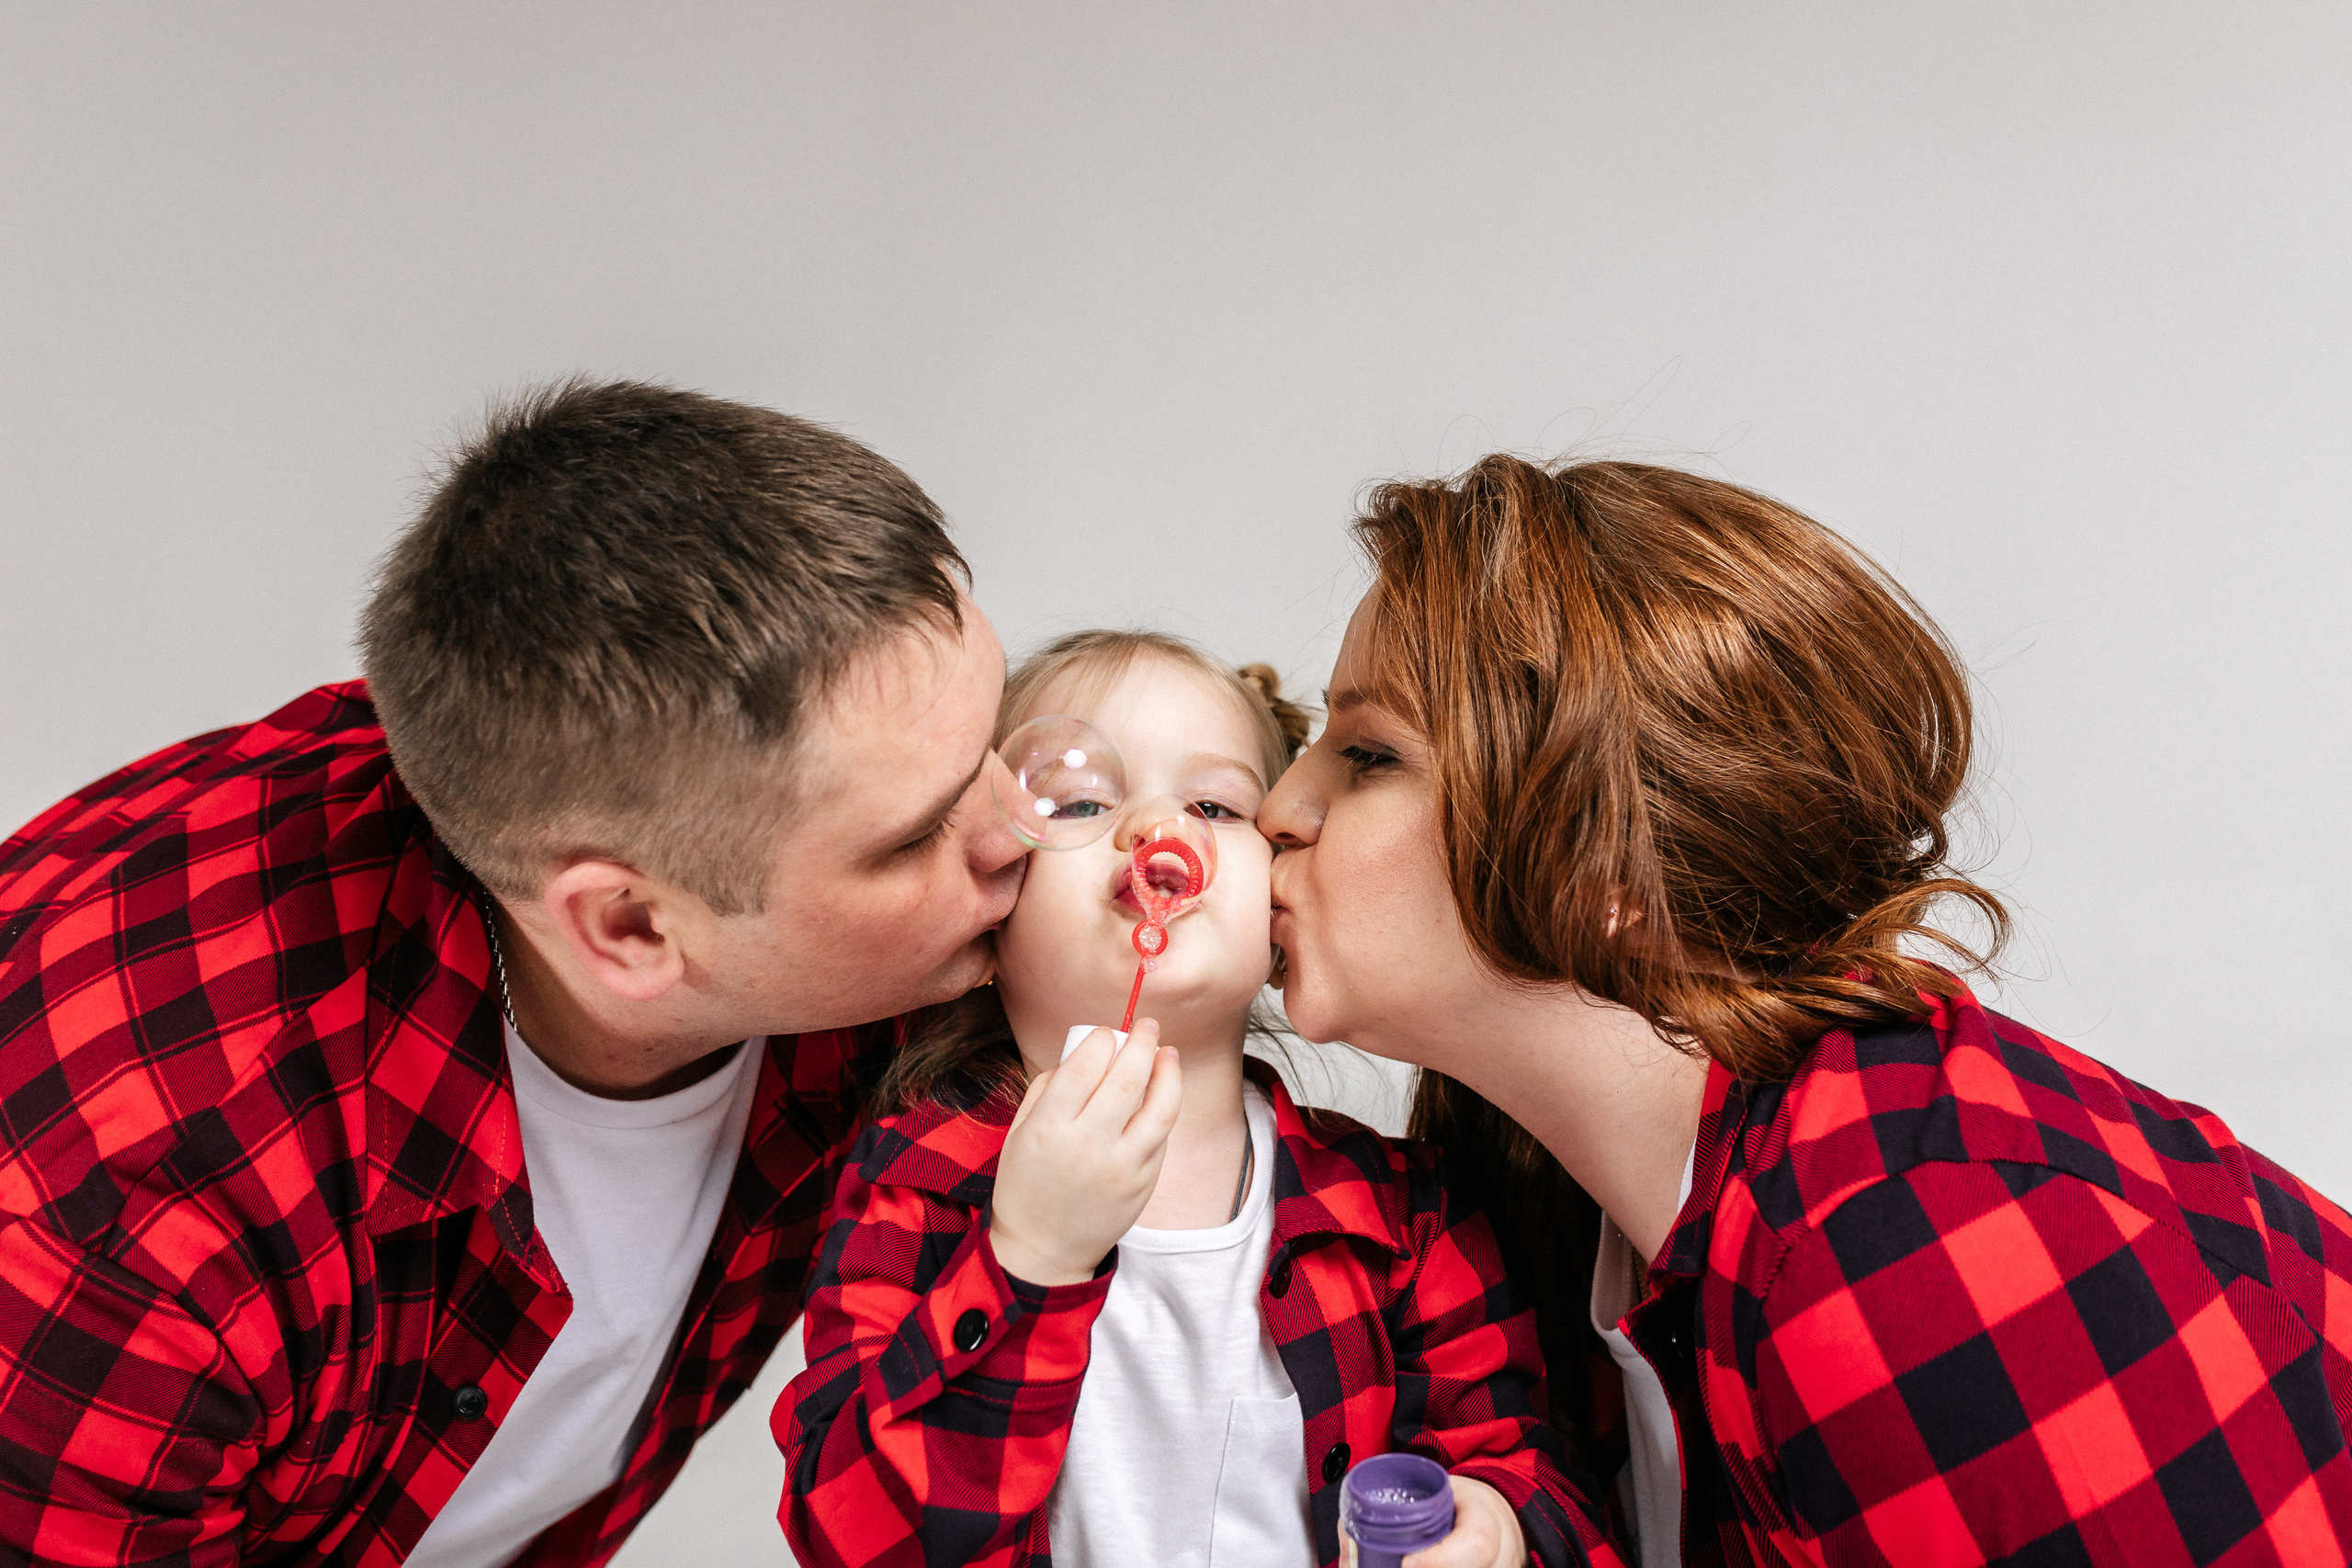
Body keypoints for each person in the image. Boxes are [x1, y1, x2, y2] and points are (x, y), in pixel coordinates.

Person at [0, 381, 1030, 1567]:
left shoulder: (809, 811)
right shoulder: (117, 1221)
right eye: (916, 836)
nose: (1022, 830)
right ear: (632, 927)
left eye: (992, 738)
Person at [1258, 457, 2352, 1565]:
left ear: (1611, 863)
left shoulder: (1910, 1240)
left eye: (1367, 755)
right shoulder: (1575, 1221)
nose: (1279, 807)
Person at [773, 631, 1622, 1568]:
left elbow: (1534, 1471)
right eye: (1083, 801)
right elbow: (857, 1538)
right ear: (989, 901)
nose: (1153, 829)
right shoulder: (913, 1187)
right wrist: (1029, 1257)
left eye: (1213, 804)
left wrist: (1495, 1524)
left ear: (1276, 898)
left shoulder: (1403, 1213)